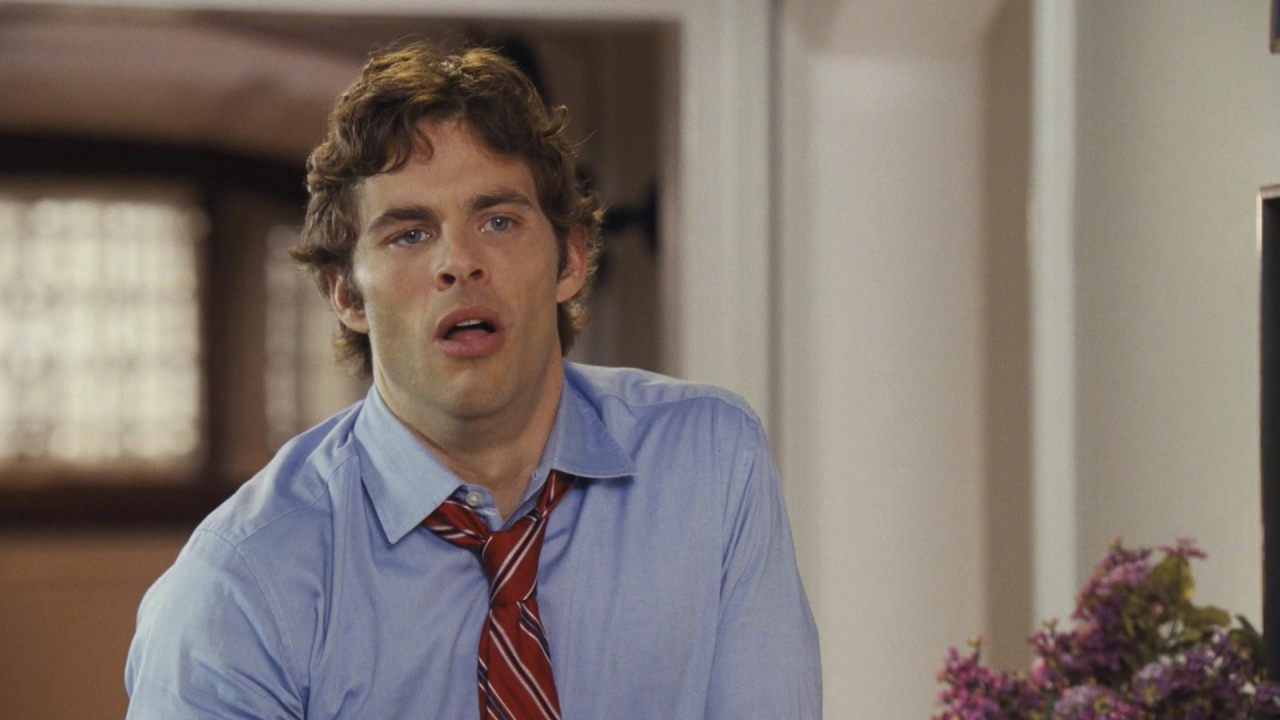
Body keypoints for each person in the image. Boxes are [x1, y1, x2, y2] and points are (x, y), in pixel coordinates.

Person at [124, 42, 820, 719]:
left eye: (499, 221)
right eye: (409, 234)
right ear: (345, 295)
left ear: (571, 260)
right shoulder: (239, 583)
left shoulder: (708, 461)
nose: (459, 262)